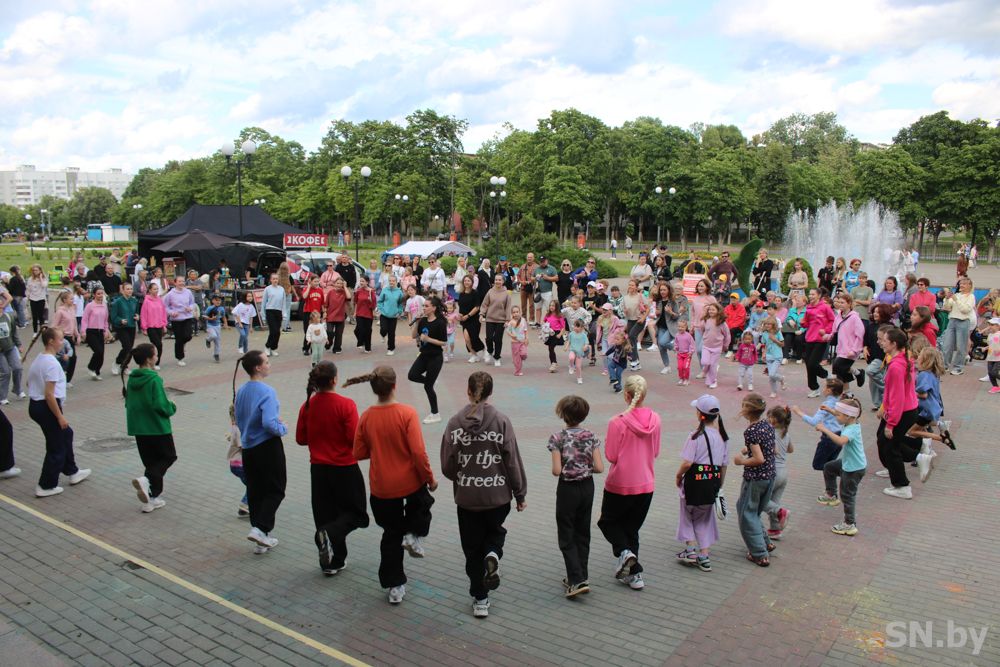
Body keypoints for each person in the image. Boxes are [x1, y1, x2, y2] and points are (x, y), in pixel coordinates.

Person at [440, 371, 527, 618]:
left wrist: (463, 477)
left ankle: (480, 598)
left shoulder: (455, 423)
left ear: (468, 391)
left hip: (468, 499)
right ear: (490, 393)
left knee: (471, 549)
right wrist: (520, 493)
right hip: (497, 496)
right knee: (495, 532)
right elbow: (512, 461)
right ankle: (493, 554)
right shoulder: (501, 421)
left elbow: (447, 465)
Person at [348, 365, 437, 604]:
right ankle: (413, 534)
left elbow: (358, 452)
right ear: (395, 385)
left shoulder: (367, 416)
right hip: (409, 481)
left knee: (390, 534)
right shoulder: (407, 413)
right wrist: (430, 478)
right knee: (423, 503)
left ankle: (394, 586)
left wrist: (379, 447)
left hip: (381, 486)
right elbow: (418, 452)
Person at [293, 361, 370, 575]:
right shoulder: (345, 405)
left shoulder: (307, 406)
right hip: (344, 467)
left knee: (326, 515)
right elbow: (353, 439)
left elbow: (300, 438)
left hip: (318, 469)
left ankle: (333, 561)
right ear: (335, 380)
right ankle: (329, 537)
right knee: (356, 514)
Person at [597, 374, 659, 589]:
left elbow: (611, 456)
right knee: (631, 528)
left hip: (620, 482)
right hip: (646, 482)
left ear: (626, 395)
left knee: (607, 522)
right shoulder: (655, 419)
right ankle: (634, 575)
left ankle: (625, 553)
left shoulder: (617, 422)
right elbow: (655, 451)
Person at [548, 395, 604, 596]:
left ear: (562, 414)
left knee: (566, 533)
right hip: (587, 487)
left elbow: (556, 470)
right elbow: (599, 467)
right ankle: (582, 575)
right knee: (582, 531)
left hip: (567, 489)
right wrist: (584, 467)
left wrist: (568, 467)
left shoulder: (557, 438)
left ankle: (576, 580)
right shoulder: (591, 436)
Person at [234, 349, 288, 554]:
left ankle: (261, 537)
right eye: (266, 362)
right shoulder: (267, 391)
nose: (269, 364)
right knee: (276, 489)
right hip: (267, 446)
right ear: (257, 367)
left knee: (256, 491)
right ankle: (260, 528)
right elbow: (269, 423)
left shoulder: (242, 390)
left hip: (249, 448)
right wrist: (282, 427)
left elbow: (239, 417)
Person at [29, 327, 91, 497]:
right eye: (60, 339)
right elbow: (49, 395)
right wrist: (59, 416)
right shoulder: (51, 363)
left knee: (66, 434)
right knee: (56, 447)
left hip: (37, 405)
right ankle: (46, 485)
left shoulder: (40, 358)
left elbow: (30, 382)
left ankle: (72, 471)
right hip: (47, 407)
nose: (62, 342)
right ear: (51, 341)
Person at [674, 394, 728, 572]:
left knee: (687, 514)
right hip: (712, 482)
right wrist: (719, 485)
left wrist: (678, 476)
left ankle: (690, 550)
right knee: (704, 518)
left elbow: (687, 463)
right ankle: (704, 556)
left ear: (699, 414)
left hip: (693, 483)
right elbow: (724, 465)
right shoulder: (723, 437)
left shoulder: (695, 436)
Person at [122, 343, 176, 512]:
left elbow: (129, 403)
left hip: (139, 428)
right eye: (155, 355)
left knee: (151, 462)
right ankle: (146, 481)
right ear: (148, 359)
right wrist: (172, 406)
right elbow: (161, 405)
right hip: (156, 427)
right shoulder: (154, 379)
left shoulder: (132, 378)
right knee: (169, 457)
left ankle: (151, 499)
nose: (157, 357)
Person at [875, 328, 922, 499]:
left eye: (884, 340)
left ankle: (902, 485)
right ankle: (916, 458)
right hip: (907, 409)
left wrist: (891, 423)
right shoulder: (903, 359)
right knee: (884, 441)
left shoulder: (896, 366)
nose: (881, 343)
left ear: (894, 344)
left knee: (891, 447)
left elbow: (897, 397)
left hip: (902, 411)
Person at [733, 393, 776, 566]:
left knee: (746, 513)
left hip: (755, 478)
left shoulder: (751, 431)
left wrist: (741, 461)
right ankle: (766, 542)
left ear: (746, 409)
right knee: (754, 510)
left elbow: (759, 458)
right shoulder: (766, 424)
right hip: (769, 475)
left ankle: (759, 553)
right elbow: (769, 448)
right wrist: (748, 449)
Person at [814, 397, 866, 535]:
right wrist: (829, 410)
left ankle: (849, 524)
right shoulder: (852, 421)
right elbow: (842, 414)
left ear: (848, 416)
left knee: (847, 495)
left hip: (854, 469)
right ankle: (831, 494)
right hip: (849, 463)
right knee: (829, 467)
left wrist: (824, 429)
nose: (836, 417)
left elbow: (841, 441)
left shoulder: (851, 430)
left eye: (838, 415)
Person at [409, 296, 448, 423]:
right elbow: (413, 336)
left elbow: (443, 342)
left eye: (426, 306)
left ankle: (435, 414)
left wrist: (428, 339)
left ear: (434, 308)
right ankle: (430, 380)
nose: (424, 308)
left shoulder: (440, 323)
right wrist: (417, 322)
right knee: (412, 375)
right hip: (423, 355)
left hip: (435, 357)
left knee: (428, 387)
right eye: (423, 306)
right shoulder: (423, 321)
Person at [763, 406, 793, 540]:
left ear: (773, 419)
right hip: (783, 473)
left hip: (772, 471)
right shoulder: (785, 433)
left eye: (768, 417)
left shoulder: (770, 433)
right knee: (774, 500)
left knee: (761, 499)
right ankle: (775, 529)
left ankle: (780, 511)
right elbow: (791, 450)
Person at [801, 288, 835, 398]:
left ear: (819, 295)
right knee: (808, 364)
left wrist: (826, 330)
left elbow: (832, 320)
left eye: (813, 294)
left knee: (812, 364)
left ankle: (827, 375)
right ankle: (814, 388)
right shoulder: (808, 308)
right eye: (810, 294)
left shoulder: (825, 307)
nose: (810, 296)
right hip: (809, 338)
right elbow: (806, 323)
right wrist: (802, 323)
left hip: (820, 339)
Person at [831, 293, 867, 390]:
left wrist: (854, 350)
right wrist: (828, 336)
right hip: (841, 349)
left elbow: (860, 335)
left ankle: (857, 373)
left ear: (849, 304)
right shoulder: (838, 316)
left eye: (842, 302)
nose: (840, 304)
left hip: (851, 349)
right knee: (841, 371)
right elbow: (834, 330)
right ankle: (848, 392)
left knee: (837, 366)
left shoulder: (854, 317)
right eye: (839, 302)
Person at [940, 277, 975, 375]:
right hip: (952, 321)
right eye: (961, 283)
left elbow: (965, 310)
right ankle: (945, 365)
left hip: (963, 322)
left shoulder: (971, 296)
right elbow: (947, 307)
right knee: (947, 345)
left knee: (961, 346)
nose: (961, 285)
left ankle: (958, 367)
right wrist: (947, 299)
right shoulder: (957, 295)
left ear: (969, 286)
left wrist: (956, 300)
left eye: (964, 284)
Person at [480, 274, 512, 367]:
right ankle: (490, 351)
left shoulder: (506, 293)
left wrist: (507, 320)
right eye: (496, 280)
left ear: (503, 281)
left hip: (501, 320)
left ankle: (497, 357)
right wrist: (481, 314)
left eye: (499, 280)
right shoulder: (490, 291)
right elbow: (485, 304)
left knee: (498, 339)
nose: (497, 281)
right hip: (490, 318)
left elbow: (508, 307)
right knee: (489, 338)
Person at [163, 277, 195, 366]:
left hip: (187, 317)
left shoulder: (188, 292)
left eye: (183, 281)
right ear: (175, 283)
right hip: (176, 319)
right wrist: (171, 312)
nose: (181, 283)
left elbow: (192, 303)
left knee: (188, 336)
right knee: (179, 339)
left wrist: (190, 308)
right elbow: (165, 306)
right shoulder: (170, 294)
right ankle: (180, 358)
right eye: (179, 281)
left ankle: (182, 344)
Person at [81, 287, 111, 380]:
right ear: (94, 295)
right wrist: (83, 331)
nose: (100, 295)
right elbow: (85, 319)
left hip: (100, 331)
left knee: (101, 354)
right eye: (98, 294)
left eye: (102, 293)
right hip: (91, 331)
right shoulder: (90, 306)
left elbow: (106, 320)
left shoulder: (104, 306)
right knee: (98, 351)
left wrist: (106, 330)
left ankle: (97, 372)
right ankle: (91, 367)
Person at [50, 290, 80, 385]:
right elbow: (54, 325)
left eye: (73, 299)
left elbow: (74, 323)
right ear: (64, 300)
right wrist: (56, 336)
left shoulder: (72, 309)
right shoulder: (60, 312)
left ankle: (67, 380)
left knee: (73, 358)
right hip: (62, 338)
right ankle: (59, 378)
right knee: (62, 358)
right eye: (71, 299)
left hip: (70, 337)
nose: (72, 300)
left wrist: (77, 335)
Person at [110, 282, 139, 375]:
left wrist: (137, 316)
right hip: (121, 327)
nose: (130, 291)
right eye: (127, 289)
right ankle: (117, 362)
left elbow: (137, 312)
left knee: (130, 348)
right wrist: (120, 320)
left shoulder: (134, 301)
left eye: (131, 289)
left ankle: (124, 366)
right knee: (127, 347)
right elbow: (113, 317)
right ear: (122, 290)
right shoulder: (117, 302)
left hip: (132, 326)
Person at [700, 303, 730, 390]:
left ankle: (713, 381)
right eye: (709, 309)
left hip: (717, 347)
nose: (711, 311)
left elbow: (727, 335)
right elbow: (702, 330)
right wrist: (705, 338)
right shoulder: (705, 321)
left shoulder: (722, 323)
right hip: (706, 346)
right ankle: (709, 369)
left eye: (713, 310)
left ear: (718, 311)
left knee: (712, 365)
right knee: (705, 362)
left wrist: (725, 345)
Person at [458, 275, 485, 363]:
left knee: (474, 337)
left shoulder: (475, 293)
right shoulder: (461, 294)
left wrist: (468, 315)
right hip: (464, 320)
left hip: (474, 319)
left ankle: (484, 349)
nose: (466, 282)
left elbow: (477, 307)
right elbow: (461, 306)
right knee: (467, 338)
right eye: (465, 281)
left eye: (468, 281)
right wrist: (460, 315)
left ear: (472, 282)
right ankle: (474, 355)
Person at [376, 274, 404, 356]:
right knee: (384, 329)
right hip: (384, 314)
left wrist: (399, 312)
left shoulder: (399, 292)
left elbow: (400, 304)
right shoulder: (385, 290)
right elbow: (380, 301)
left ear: (396, 282)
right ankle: (383, 335)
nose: (391, 282)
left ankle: (391, 349)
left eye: (393, 281)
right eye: (390, 281)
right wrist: (380, 309)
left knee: (391, 333)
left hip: (394, 315)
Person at [324, 277, 352, 354]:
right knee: (329, 332)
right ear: (334, 284)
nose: (339, 285)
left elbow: (349, 297)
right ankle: (329, 343)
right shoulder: (330, 292)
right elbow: (326, 304)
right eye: (337, 283)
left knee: (339, 334)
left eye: (341, 283)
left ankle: (337, 348)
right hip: (330, 316)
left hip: (340, 316)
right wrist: (325, 312)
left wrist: (345, 287)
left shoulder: (344, 292)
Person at [261, 273, 285, 357]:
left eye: (276, 279)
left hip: (278, 311)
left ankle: (274, 348)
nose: (275, 280)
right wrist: (263, 315)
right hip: (270, 311)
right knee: (273, 331)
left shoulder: (281, 289)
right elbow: (263, 302)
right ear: (271, 280)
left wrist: (284, 313)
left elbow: (283, 302)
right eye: (273, 279)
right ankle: (267, 346)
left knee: (277, 332)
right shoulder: (267, 289)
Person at [202, 294, 228, 363]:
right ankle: (208, 339)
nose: (218, 302)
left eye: (219, 300)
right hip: (210, 325)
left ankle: (216, 354)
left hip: (218, 326)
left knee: (217, 341)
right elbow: (204, 316)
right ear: (213, 301)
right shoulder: (210, 308)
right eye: (216, 300)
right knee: (213, 336)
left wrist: (226, 324)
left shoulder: (222, 309)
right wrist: (210, 318)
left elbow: (223, 317)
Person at [353, 276, 376, 353]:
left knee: (368, 331)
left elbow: (374, 304)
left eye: (363, 281)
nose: (361, 283)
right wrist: (355, 312)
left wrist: (370, 301)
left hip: (368, 314)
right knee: (358, 330)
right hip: (359, 313)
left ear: (367, 282)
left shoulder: (371, 291)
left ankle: (368, 348)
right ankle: (361, 342)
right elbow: (356, 302)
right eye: (360, 281)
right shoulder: (358, 291)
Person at [231, 291, 256, 356]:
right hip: (239, 322)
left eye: (251, 296)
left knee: (245, 337)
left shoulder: (251, 306)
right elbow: (236, 313)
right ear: (245, 297)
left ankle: (245, 351)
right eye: (248, 296)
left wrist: (251, 327)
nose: (250, 297)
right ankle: (240, 347)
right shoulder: (240, 305)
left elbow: (251, 317)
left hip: (247, 324)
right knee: (243, 335)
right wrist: (240, 323)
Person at [506, 305, 529, 376]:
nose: (516, 313)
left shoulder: (523, 320)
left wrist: (527, 338)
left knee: (523, 354)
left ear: (520, 312)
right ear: (512, 314)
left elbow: (525, 330)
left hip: (522, 341)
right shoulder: (511, 322)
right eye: (514, 312)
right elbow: (508, 331)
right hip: (515, 342)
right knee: (517, 358)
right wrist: (512, 335)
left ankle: (520, 359)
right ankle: (517, 371)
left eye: (517, 312)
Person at [566, 318, 590, 384]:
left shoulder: (584, 335)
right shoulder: (571, 334)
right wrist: (566, 347)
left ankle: (579, 378)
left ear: (582, 328)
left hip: (580, 352)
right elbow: (569, 341)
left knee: (578, 367)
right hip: (572, 350)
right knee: (571, 358)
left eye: (578, 326)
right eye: (575, 326)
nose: (576, 328)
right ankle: (571, 366)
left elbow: (586, 343)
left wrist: (585, 347)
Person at [26, 264, 48, 333]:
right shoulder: (30, 279)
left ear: (40, 270)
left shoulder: (44, 278)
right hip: (33, 299)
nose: (35, 272)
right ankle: (35, 332)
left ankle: (42, 331)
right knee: (34, 317)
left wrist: (41, 278)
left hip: (41, 299)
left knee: (41, 316)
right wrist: (27, 298)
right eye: (33, 270)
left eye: (36, 270)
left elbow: (44, 285)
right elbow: (28, 289)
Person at [674, 320, 695, 386]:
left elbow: (692, 344)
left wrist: (690, 352)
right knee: (680, 367)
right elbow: (676, 343)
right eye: (679, 326)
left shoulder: (688, 336)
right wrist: (676, 348)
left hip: (687, 355)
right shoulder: (677, 335)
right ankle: (681, 378)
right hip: (680, 354)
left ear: (686, 327)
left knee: (685, 367)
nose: (680, 328)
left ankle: (686, 379)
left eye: (682, 327)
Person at [985, 317, 1000, 393]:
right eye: (990, 325)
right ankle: (995, 386)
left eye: (992, 325)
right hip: (990, 356)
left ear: (998, 326)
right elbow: (991, 344)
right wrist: (985, 348)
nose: (990, 326)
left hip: (998, 358)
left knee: (994, 372)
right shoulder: (990, 335)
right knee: (990, 373)